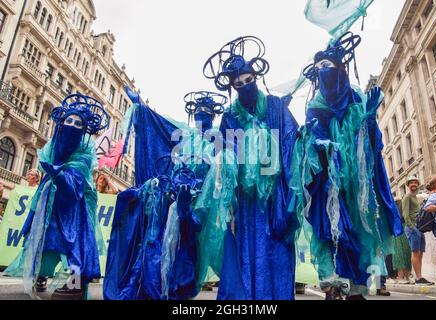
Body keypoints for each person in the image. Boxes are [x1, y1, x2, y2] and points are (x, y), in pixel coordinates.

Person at [290, 32, 403, 300]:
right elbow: (310, 144)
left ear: (340, 68)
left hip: (356, 188)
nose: (322, 72)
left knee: (358, 233)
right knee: (330, 232)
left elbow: (374, 147)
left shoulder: (356, 99)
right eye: (318, 69)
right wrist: (314, 142)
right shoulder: (315, 107)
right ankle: (332, 284)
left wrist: (370, 117)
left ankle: (356, 288)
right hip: (328, 186)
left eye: (326, 67)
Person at [198, 36, 299, 300]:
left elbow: (292, 145)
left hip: (276, 195)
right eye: (237, 83)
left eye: (248, 79)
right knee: (248, 252)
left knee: (276, 251)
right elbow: (221, 156)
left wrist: (291, 196)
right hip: (246, 201)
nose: (244, 85)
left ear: (257, 77)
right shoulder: (229, 118)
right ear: (232, 86)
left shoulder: (276, 107)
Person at [104, 89, 227, 300]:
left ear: (212, 117)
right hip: (176, 197)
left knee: (190, 244)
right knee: (167, 241)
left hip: (202, 203)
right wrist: (141, 107)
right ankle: (164, 287)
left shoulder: (218, 140)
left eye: (206, 112)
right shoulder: (184, 135)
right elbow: (158, 125)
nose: (201, 116)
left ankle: (181, 289)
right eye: (198, 112)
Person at [4, 94, 109, 300]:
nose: (71, 125)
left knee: (73, 239)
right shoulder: (51, 148)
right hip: (49, 201)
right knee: (44, 235)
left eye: (77, 123)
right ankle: (42, 273)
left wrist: (60, 175)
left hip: (74, 206)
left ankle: (76, 282)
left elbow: (78, 180)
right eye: (68, 121)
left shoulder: (85, 152)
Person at [402, 176, 434, 286]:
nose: (414, 184)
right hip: (412, 228)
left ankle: (420, 276)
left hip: (419, 227)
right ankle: (418, 278)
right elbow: (405, 215)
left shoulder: (415, 197)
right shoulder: (407, 197)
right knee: (415, 252)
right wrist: (412, 228)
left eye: (415, 182)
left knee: (420, 253)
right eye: (411, 183)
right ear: (408, 185)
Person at [392, 197, 412, 285]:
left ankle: (403, 277)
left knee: (403, 252)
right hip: (399, 228)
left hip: (399, 227)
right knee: (401, 252)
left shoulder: (393, 207)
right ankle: (403, 277)